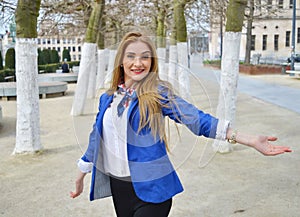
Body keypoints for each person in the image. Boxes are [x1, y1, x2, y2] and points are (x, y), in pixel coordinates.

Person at [70, 32, 291, 217]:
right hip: (121, 188)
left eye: (145, 57)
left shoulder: (158, 93)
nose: (138, 63)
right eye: (131, 56)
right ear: (121, 60)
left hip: (154, 191)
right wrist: (82, 172)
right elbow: (96, 137)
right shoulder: (107, 98)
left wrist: (248, 139)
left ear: (152, 62)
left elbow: (195, 118)